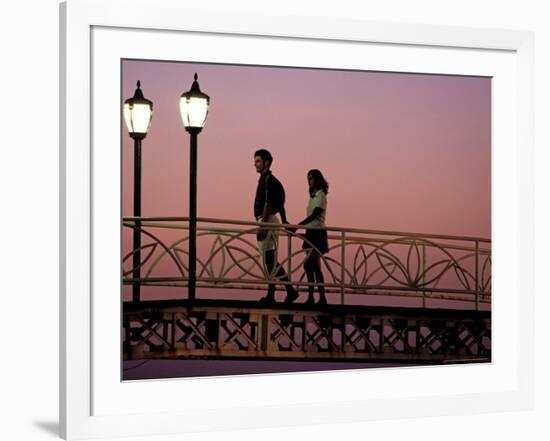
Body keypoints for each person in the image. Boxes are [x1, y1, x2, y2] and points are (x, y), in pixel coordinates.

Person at [253, 149, 299, 305]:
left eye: (258, 161)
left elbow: (268, 204)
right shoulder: (270, 180)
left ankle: (277, 293)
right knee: (270, 259)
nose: (255, 164)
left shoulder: (267, 181)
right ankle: (286, 291)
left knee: (270, 259)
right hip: (270, 220)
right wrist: (285, 221)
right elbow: (281, 203)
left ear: (267, 162)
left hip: (267, 221)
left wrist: (262, 226)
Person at [291, 169, 329, 305]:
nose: (309, 181)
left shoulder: (321, 195)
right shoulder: (313, 196)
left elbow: (314, 215)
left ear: (317, 179)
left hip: (317, 233)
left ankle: (318, 297)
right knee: (311, 266)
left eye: (311, 178)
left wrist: (298, 226)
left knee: (311, 265)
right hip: (311, 232)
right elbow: (311, 217)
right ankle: (316, 297)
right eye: (308, 178)